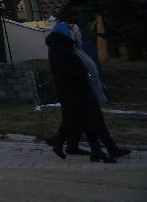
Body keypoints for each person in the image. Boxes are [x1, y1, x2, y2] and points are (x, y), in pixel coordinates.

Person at [46, 22, 118, 162]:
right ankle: (59, 141)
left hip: (79, 89)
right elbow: (65, 70)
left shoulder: (65, 47)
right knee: (83, 118)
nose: (77, 35)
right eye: (75, 32)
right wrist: (83, 76)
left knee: (87, 119)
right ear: (66, 33)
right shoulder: (59, 48)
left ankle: (94, 150)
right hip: (75, 90)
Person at [62, 24, 130, 159]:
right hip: (85, 93)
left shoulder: (78, 49)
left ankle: (78, 146)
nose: (80, 35)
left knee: (85, 121)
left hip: (90, 90)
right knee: (96, 121)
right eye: (77, 32)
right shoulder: (73, 51)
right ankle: (109, 149)